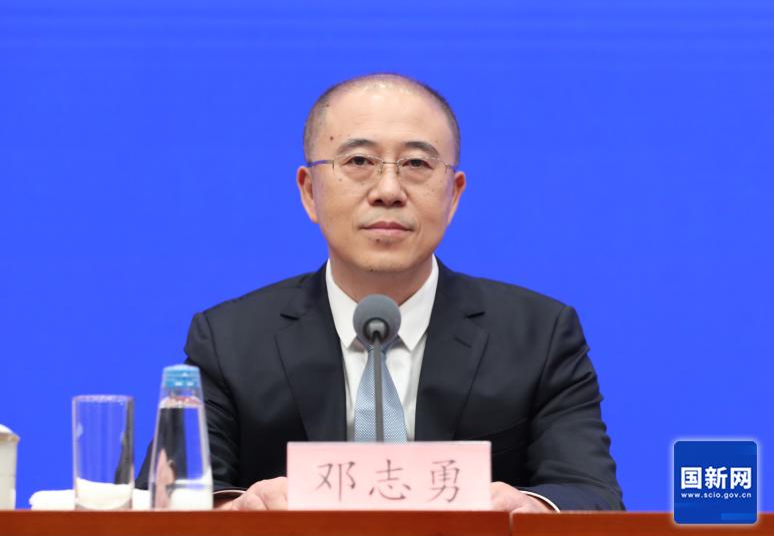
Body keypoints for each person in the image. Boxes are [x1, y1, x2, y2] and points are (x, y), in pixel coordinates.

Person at [137, 73, 624, 512]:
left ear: (454, 195)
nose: (388, 189)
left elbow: (591, 495)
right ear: (309, 191)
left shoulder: (539, 336)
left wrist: (529, 508)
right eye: (359, 161)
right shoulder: (229, 340)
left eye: (416, 163)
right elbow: (164, 498)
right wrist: (240, 510)